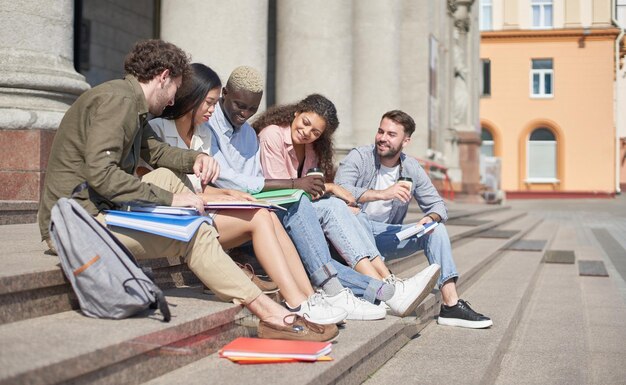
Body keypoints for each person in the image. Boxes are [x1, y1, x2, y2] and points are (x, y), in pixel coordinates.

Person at [37, 40, 337, 341]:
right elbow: (103, 175)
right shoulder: (121, 102)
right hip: (79, 227)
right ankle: (271, 314)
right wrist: (172, 199)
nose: (172, 100)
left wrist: (197, 158)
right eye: (174, 89)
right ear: (163, 77)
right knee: (191, 231)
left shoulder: (127, 100)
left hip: (92, 214)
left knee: (168, 176)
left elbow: (157, 153)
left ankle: (282, 299)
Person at [209, 66, 440, 319]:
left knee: (339, 213)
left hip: (277, 212)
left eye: (315, 132)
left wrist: (319, 189)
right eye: (305, 123)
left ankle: (386, 287)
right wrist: (322, 188)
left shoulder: (257, 138)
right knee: (327, 211)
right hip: (265, 213)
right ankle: (382, 290)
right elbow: (271, 188)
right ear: (296, 113)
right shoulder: (265, 134)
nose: (307, 132)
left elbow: (282, 186)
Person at [147, 63, 347, 325]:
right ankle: (298, 302)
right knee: (262, 217)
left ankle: (307, 298)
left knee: (266, 215)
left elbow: (209, 184)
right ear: (192, 98)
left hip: (204, 210)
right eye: (209, 102)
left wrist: (231, 194)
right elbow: (159, 184)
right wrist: (229, 194)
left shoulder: (203, 134)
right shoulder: (159, 129)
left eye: (214, 102)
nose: (212, 109)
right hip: (176, 214)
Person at [334, 110, 493, 329]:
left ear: (405, 141)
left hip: (384, 236)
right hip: (352, 235)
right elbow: (340, 190)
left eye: (391, 134)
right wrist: (382, 193)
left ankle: (451, 304)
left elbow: (438, 206)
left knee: (436, 230)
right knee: (357, 216)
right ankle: (388, 286)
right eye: (381, 131)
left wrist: (430, 218)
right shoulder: (359, 157)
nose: (383, 138)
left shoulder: (410, 167)